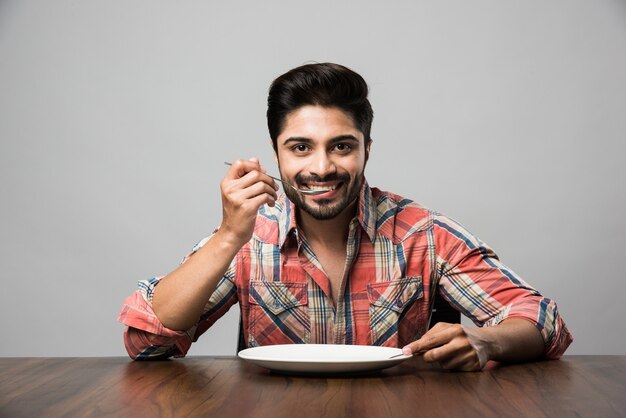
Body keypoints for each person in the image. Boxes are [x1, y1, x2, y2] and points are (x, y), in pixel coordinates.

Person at [118, 62, 572, 370]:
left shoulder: (424, 234)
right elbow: (147, 344)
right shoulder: (247, 239)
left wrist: (486, 341)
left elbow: (544, 321)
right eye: (300, 147)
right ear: (276, 154)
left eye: (341, 145)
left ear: (365, 150)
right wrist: (226, 237)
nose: (321, 167)